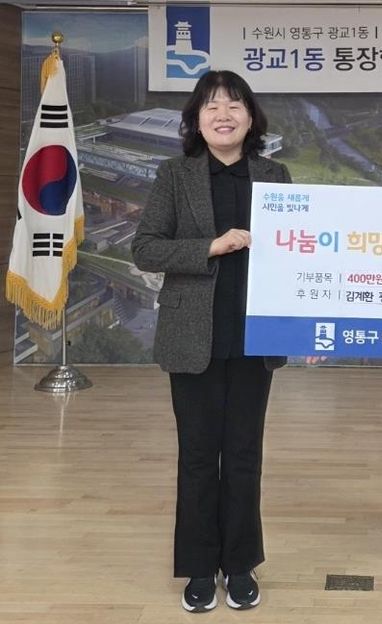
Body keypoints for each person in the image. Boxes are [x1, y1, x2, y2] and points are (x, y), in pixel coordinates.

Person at [132, 70, 291, 613]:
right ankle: (199, 567)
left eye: (234, 104)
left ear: (251, 117)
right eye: (212, 106)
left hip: (255, 335)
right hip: (191, 336)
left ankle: (241, 564)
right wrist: (210, 246)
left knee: (244, 455)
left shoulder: (274, 174)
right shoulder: (175, 174)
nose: (224, 115)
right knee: (199, 456)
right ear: (196, 120)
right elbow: (146, 248)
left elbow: (298, 250)